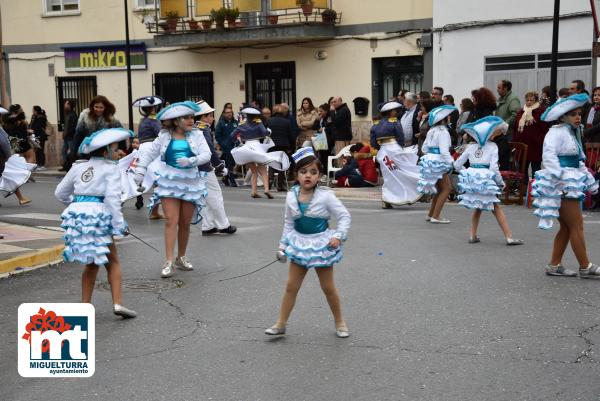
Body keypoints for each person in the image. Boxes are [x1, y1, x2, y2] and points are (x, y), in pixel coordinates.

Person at [265, 147, 351, 338]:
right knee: (291, 286)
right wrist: (282, 246)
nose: (308, 176)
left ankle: (340, 322)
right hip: (299, 245)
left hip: (322, 245)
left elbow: (344, 216)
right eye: (303, 171)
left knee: (328, 287)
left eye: (313, 172)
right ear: (296, 174)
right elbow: (288, 223)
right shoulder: (291, 195)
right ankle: (280, 323)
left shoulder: (326, 195)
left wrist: (338, 236)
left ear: (319, 175)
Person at [55, 127, 137, 318]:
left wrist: (80, 205)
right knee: (111, 260)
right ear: (106, 151)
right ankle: (117, 304)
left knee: (93, 261)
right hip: (99, 216)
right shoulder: (111, 169)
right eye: (116, 149)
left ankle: (85, 306)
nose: (119, 153)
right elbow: (112, 200)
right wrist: (120, 225)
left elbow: (60, 193)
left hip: (79, 217)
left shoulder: (78, 167)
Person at [133, 101, 211, 278]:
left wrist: (192, 161)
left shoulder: (197, 135)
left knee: (184, 222)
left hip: (190, 182)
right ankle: (168, 260)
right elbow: (149, 154)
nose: (191, 120)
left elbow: (206, 155)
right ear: (176, 120)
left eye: (192, 117)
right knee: (171, 220)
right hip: (169, 180)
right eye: (186, 117)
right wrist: (140, 170)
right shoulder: (164, 136)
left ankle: (181, 257)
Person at [531, 93, 600, 277]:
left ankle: (554, 265)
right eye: (573, 114)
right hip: (563, 185)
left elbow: (578, 162)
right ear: (563, 116)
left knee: (568, 227)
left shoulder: (571, 132)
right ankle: (585, 266)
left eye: (579, 113)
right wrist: (560, 179)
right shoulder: (555, 132)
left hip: (569, 182)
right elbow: (549, 157)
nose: (578, 117)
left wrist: (591, 183)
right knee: (576, 225)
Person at [454, 116, 524, 245]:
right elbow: (493, 168)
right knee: (496, 207)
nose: (495, 134)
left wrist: (468, 173)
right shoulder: (493, 147)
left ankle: (472, 235)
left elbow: (457, 165)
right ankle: (509, 237)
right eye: (494, 132)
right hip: (485, 180)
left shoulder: (470, 147)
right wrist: (500, 182)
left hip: (473, 180)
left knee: (478, 207)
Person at [195, 100, 237, 236]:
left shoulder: (195, 128)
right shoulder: (203, 129)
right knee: (215, 195)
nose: (213, 118)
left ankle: (208, 225)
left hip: (196, 168)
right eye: (211, 115)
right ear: (203, 117)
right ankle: (223, 225)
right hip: (205, 168)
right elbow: (210, 149)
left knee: (205, 198)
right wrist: (219, 164)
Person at [231, 107, 289, 198]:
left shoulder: (242, 124)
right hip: (257, 147)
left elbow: (232, 136)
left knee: (254, 171)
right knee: (263, 170)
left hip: (246, 148)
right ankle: (266, 189)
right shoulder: (258, 122)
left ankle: (254, 191)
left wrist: (238, 141)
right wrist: (269, 131)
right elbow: (265, 133)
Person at [371, 101, 421, 207]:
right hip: (395, 150)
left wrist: (380, 147)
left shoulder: (375, 125)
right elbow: (400, 137)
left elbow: (373, 143)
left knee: (388, 176)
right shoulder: (394, 122)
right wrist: (400, 146)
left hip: (383, 153)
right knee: (403, 171)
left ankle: (387, 199)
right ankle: (409, 192)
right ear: (390, 112)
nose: (396, 112)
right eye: (395, 111)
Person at [418, 105, 457, 223]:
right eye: (448, 116)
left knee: (440, 189)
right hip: (439, 162)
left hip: (429, 161)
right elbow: (445, 152)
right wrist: (452, 163)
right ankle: (436, 216)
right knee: (447, 188)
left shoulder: (431, 130)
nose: (450, 117)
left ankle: (431, 214)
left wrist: (432, 154)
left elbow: (424, 148)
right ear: (443, 119)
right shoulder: (443, 132)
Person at [129, 96, 165, 217]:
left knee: (151, 178)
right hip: (152, 149)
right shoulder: (153, 120)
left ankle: (154, 209)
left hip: (143, 149)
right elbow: (160, 134)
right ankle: (155, 211)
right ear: (153, 108)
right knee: (159, 179)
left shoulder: (142, 120)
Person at [0, 107, 34, 205]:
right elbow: (3, 142)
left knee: (9, 175)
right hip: (3, 156)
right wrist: (8, 155)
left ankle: (21, 198)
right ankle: (21, 198)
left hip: (6, 154)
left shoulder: (5, 126)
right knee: (9, 174)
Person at [513, 91, 548, 181]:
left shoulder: (541, 112)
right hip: (522, 145)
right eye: (527, 100)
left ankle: (535, 187)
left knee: (536, 168)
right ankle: (523, 189)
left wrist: (540, 139)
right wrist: (515, 142)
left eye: (531, 100)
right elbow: (515, 128)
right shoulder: (521, 112)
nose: (528, 102)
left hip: (535, 145)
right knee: (522, 168)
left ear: (536, 101)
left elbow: (544, 128)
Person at [267, 104, 294, 191]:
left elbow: (265, 133)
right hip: (283, 145)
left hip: (272, 144)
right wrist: (291, 147)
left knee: (272, 162)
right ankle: (280, 185)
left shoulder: (269, 121)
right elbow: (291, 136)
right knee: (282, 164)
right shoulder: (287, 122)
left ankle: (270, 180)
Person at [215, 106, 238, 187]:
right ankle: (232, 180)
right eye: (227, 112)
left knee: (233, 162)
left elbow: (239, 132)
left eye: (230, 112)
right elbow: (217, 135)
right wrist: (223, 144)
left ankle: (225, 177)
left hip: (235, 145)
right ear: (224, 114)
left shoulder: (235, 122)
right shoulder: (221, 123)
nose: (229, 114)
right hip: (226, 146)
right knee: (229, 163)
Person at [312, 103, 335, 172]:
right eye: (319, 111)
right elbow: (313, 127)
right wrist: (317, 120)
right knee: (321, 156)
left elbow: (331, 127)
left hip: (328, 140)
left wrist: (324, 128)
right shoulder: (320, 118)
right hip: (320, 139)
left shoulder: (329, 117)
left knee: (327, 157)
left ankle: (327, 173)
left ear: (326, 111)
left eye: (321, 111)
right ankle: (324, 171)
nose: (319, 112)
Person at [29, 106, 48, 170]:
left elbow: (37, 127)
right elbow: (31, 125)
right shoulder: (35, 118)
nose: (32, 112)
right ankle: (38, 164)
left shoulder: (41, 118)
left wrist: (32, 129)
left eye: (33, 111)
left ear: (36, 111)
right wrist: (32, 119)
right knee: (37, 150)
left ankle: (41, 164)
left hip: (40, 136)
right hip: (36, 136)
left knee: (40, 150)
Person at [61, 100, 78, 171]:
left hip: (71, 137)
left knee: (72, 152)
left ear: (70, 105)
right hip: (67, 137)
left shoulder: (73, 115)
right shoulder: (68, 114)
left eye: (66, 104)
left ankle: (71, 166)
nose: (65, 105)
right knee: (63, 151)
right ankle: (65, 165)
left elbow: (74, 127)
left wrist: (66, 133)